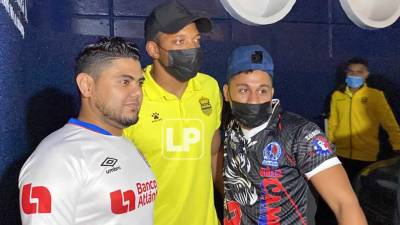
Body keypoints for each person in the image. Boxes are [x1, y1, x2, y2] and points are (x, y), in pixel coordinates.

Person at [222, 45, 367, 225]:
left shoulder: (300, 134)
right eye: (243, 90)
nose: (253, 100)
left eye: (262, 90)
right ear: (227, 93)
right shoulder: (229, 128)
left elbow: (345, 204)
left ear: (272, 93)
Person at [19, 37, 157, 225]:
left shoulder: (125, 143)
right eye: (125, 82)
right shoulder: (57, 159)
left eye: (139, 83)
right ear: (87, 85)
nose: (137, 93)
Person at [123, 1, 221, 225]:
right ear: (153, 49)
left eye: (196, 41)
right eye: (179, 41)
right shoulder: (131, 97)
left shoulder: (209, 87)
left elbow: (213, 153)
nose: (191, 49)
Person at [328, 57, 400, 182]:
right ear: (346, 73)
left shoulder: (375, 95)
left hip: (366, 156)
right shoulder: (337, 96)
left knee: (362, 193)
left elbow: (390, 124)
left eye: (359, 72)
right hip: (341, 155)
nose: (354, 75)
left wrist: (397, 145)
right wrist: (329, 147)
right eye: (351, 71)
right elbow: (333, 123)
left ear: (366, 75)